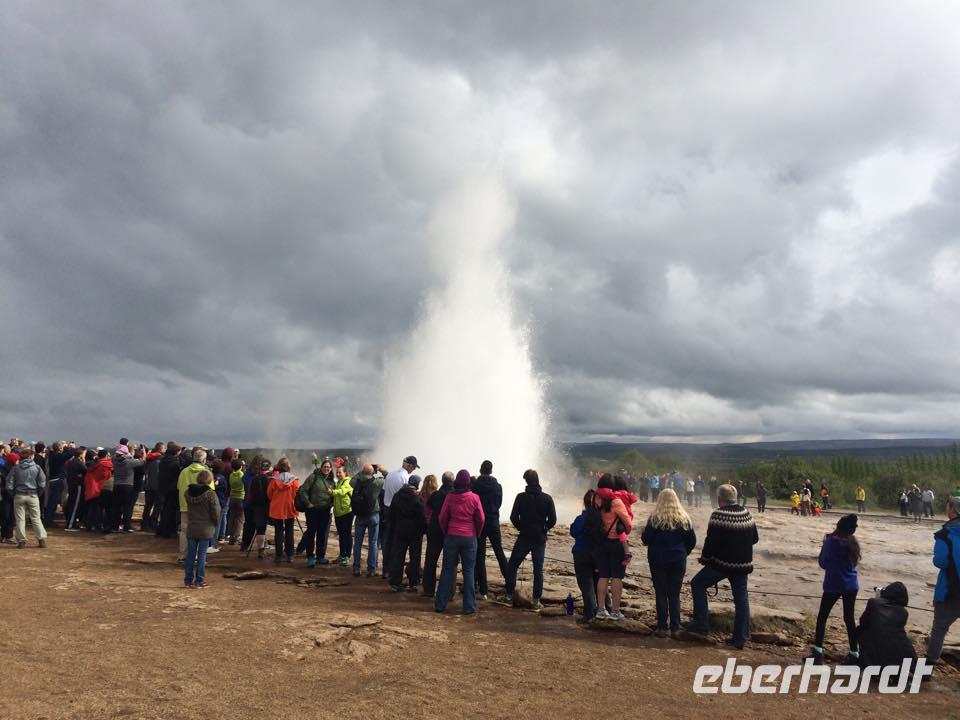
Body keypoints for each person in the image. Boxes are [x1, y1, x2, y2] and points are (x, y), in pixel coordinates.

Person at [686, 483, 759, 649]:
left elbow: (711, 542)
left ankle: (701, 624)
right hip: (743, 564)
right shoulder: (746, 513)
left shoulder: (718, 514)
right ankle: (740, 638)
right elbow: (754, 538)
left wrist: (705, 558)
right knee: (741, 599)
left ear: (719, 499)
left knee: (697, 584)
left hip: (722, 564)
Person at [641, 488, 696, 637]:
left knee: (660, 592)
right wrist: (684, 553)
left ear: (660, 500)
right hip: (678, 559)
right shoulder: (684, 518)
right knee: (674, 594)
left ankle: (661, 627)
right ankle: (676, 626)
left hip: (657, 559)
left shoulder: (655, 518)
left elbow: (645, 539)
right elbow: (692, 541)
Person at [808, 514, 861, 665]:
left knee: (822, 617)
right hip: (851, 584)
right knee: (849, 619)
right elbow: (854, 563)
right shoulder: (853, 543)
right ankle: (854, 654)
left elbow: (823, 563)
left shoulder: (831, 542)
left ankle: (818, 653)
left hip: (833, 584)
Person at [502, 469, 557, 610]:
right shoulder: (547, 498)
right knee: (538, 569)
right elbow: (552, 520)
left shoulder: (520, 497)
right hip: (539, 538)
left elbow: (513, 517)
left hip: (525, 536)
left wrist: (521, 528)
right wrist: (544, 528)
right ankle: (535, 600)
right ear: (537, 480)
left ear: (526, 481)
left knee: (513, 564)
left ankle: (508, 596)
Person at [435, 469, 485, 614]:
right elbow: (481, 519)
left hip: (452, 535)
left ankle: (440, 604)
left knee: (447, 570)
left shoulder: (450, 497)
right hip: (469, 537)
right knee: (469, 571)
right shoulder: (474, 498)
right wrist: (477, 533)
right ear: (468, 482)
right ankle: (469, 606)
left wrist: (446, 531)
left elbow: (442, 517)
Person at [591, 474, 632, 620]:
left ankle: (601, 609)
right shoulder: (616, 502)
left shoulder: (595, 499)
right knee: (617, 577)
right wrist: (625, 530)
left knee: (603, 576)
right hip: (616, 543)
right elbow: (628, 523)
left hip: (600, 543)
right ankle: (615, 611)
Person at [926, 494, 960, 667]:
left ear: (952, 510)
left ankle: (929, 666)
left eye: (948, 506)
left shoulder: (945, 534)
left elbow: (940, 561)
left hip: (950, 590)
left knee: (939, 627)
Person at [857, 582, 916, 678]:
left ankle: (865, 660)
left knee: (860, 630)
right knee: (898, 637)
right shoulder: (903, 612)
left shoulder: (874, 603)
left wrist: (877, 598)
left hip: (874, 651)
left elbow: (863, 622)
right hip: (898, 653)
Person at [472, 460, 510, 600]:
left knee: (480, 556)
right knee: (499, 552)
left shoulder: (475, 485)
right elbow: (499, 504)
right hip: (493, 521)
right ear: (491, 470)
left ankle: (483, 591)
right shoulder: (497, 486)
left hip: (479, 523)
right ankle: (509, 584)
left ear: (480, 469)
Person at [382, 455, 419, 579]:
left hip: (387, 509)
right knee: (397, 544)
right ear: (409, 465)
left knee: (388, 541)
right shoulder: (405, 478)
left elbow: (384, 491)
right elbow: (405, 497)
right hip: (398, 511)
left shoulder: (390, 475)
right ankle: (393, 571)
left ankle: (386, 569)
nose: (413, 470)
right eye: (413, 467)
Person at [388, 475, 427, 592]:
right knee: (415, 557)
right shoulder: (417, 498)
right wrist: (424, 530)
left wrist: (394, 527)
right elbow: (422, 516)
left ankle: (395, 583)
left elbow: (391, 514)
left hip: (400, 530)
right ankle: (413, 583)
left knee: (398, 556)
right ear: (416, 484)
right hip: (415, 533)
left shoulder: (397, 496)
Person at [183, 470, 220, 589]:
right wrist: (216, 523)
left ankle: (188, 580)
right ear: (209, 480)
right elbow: (215, 512)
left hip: (192, 526)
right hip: (206, 527)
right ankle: (200, 580)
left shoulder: (188, 493)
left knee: (190, 554)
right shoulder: (211, 494)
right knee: (202, 554)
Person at [4, 448, 48, 548]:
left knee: (20, 519)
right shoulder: (37, 468)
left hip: (19, 495)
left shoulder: (16, 468)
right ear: (30, 456)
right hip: (33, 495)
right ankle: (41, 539)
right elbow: (42, 483)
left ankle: (21, 541)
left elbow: (9, 483)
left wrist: (13, 494)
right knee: (36, 518)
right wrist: (38, 493)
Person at [297, 458, 335, 567]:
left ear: (331, 468)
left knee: (322, 534)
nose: (326, 469)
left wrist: (332, 504)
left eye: (328, 467)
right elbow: (303, 490)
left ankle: (320, 557)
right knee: (311, 533)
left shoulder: (332, 480)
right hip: (313, 510)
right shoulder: (313, 477)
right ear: (321, 467)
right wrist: (308, 503)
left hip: (326, 510)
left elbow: (334, 494)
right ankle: (310, 557)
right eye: (324, 467)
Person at [422, 471, 453, 597]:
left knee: (431, 560)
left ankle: (428, 589)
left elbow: (429, 505)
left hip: (435, 529)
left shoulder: (436, 495)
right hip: (450, 530)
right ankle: (449, 592)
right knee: (451, 561)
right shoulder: (454, 494)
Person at [570, 489, 599, 621]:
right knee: (600, 582)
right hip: (598, 554)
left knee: (586, 585)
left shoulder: (581, 518)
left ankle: (590, 613)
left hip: (581, 553)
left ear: (585, 503)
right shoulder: (602, 518)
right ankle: (606, 609)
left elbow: (573, 532)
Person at [350, 464, 384, 577]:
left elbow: (352, 480)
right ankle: (371, 569)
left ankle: (356, 568)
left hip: (359, 515)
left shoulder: (356, 481)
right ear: (372, 472)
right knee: (373, 542)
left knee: (358, 542)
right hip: (373, 514)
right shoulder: (377, 482)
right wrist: (380, 469)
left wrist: (361, 472)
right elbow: (388, 477)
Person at [177, 449, 209, 561]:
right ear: (204, 460)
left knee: (184, 531)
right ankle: (196, 557)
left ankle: (183, 556)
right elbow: (211, 491)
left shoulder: (184, 472)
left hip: (185, 505)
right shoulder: (206, 473)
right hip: (201, 508)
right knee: (199, 532)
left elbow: (179, 487)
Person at [267, 457, 300, 563]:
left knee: (278, 531)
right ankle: (290, 555)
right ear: (288, 467)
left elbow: (269, 494)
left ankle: (278, 555)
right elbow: (296, 494)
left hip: (277, 508)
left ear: (279, 467)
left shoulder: (274, 480)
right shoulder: (294, 480)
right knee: (290, 531)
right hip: (290, 507)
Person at [245, 459, 273, 558]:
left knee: (260, 529)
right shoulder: (272, 479)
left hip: (257, 506)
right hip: (270, 506)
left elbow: (249, 495)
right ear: (269, 467)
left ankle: (260, 550)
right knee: (279, 527)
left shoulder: (254, 479)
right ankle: (279, 551)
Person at [84, 449, 113, 532]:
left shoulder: (94, 464)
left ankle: (89, 525)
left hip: (91, 487)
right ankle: (98, 525)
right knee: (99, 508)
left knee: (92, 507)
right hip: (99, 488)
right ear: (106, 456)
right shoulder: (106, 465)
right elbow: (106, 475)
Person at [44, 441, 71, 528]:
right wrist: (68, 447)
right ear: (59, 448)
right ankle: (48, 522)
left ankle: (49, 521)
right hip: (57, 480)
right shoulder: (57, 456)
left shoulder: (52, 455)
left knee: (52, 502)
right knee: (52, 503)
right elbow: (69, 454)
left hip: (53, 480)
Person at [331, 465, 353, 565]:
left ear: (345, 473)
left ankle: (347, 556)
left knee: (346, 534)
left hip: (347, 512)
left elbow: (343, 491)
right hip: (338, 513)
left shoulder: (348, 481)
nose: (338, 474)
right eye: (337, 472)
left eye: (340, 472)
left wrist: (332, 492)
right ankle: (342, 555)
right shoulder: (338, 482)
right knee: (341, 535)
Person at [64, 448, 89, 531]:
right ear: (81, 454)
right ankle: (70, 525)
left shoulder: (70, 462)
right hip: (77, 485)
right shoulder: (78, 463)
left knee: (72, 503)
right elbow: (86, 471)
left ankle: (71, 523)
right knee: (75, 505)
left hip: (71, 484)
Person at [141, 442, 164, 531]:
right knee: (157, 507)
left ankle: (144, 524)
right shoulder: (162, 459)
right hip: (158, 486)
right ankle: (153, 524)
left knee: (147, 506)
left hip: (149, 486)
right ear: (161, 449)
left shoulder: (149, 459)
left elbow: (144, 471)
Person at [210, 459, 230, 550]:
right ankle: (213, 543)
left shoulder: (210, 476)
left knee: (211, 522)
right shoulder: (221, 477)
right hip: (221, 501)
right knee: (217, 523)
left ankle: (210, 542)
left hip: (212, 501)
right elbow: (225, 489)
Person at [226, 458, 245, 544]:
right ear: (241, 466)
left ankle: (230, 536)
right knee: (240, 518)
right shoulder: (242, 475)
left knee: (232, 517)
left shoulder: (231, 475)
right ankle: (236, 537)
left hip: (232, 498)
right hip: (241, 498)